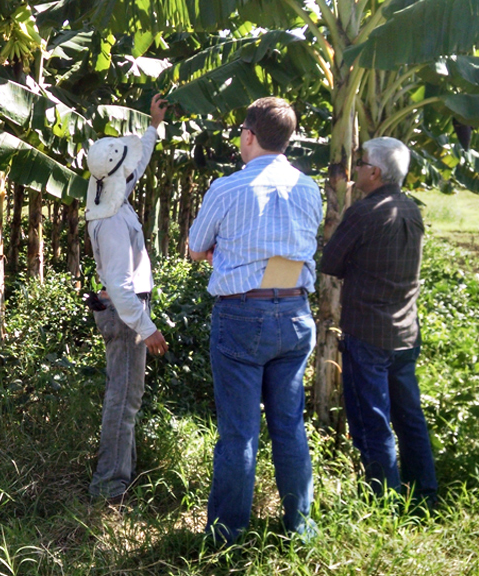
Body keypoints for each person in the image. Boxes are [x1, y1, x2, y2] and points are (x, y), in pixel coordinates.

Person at [188, 97, 322, 543]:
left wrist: (220, 253)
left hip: (243, 312)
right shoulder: (309, 187)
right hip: (297, 310)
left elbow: (195, 247)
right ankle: (300, 527)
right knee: (289, 425)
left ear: (248, 136)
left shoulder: (226, 188)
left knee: (240, 434)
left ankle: (226, 536)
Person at [320, 137, 438, 505]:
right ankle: (425, 496)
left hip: (367, 332)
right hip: (404, 331)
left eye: (360, 164)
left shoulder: (365, 212)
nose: (355, 170)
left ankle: (384, 503)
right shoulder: (411, 210)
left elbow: (331, 264)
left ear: (375, 172)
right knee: (409, 417)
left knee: (372, 421)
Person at [84, 93, 169, 503]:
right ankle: (108, 489)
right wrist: (148, 328)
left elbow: (135, 166)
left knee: (126, 395)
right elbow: (119, 286)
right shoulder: (113, 220)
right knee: (123, 398)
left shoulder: (107, 192)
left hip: (124, 311)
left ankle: (119, 477)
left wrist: (153, 127)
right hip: (125, 313)